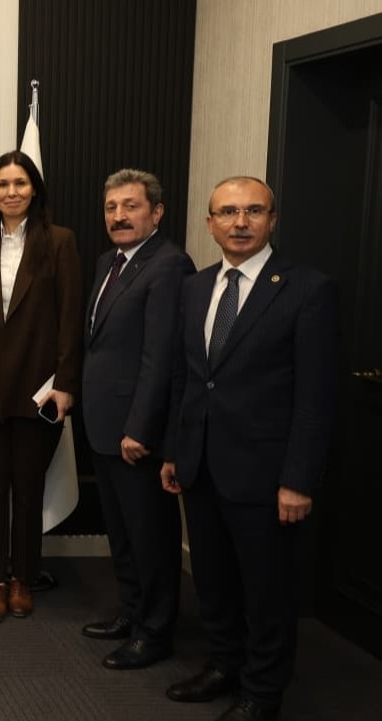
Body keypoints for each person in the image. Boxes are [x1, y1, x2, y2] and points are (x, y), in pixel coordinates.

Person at [161, 177, 337, 721]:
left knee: (267, 591)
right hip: (201, 464)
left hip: (266, 474)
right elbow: (188, 378)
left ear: (272, 220)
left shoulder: (307, 289)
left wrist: (298, 480)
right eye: (228, 212)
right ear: (210, 223)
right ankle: (224, 665)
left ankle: (262, 692)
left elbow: (316, 397)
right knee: (213, 580)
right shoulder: (196, 287)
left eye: (253, 211)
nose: (240, 222)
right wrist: (174, 451)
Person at [0, 150, 82, 622]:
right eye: (2, 184)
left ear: (35, 190)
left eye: (20, 183)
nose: (11, 192)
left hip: (39, 388)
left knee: (27, 488)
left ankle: (23, 576)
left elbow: (70, 320)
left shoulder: (60, 242)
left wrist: (65, 383)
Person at [78, 169, 194, 669]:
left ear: (157, 212)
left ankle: (156, 631)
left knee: (151, 538)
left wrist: (140, 428)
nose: (119, 216)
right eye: (111, 208)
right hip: (104, 423)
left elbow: (161, 357)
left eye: (131, 206)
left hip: (135, 430)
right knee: (122, 532)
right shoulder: (109, 262)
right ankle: (131, 613)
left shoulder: (169, 266)